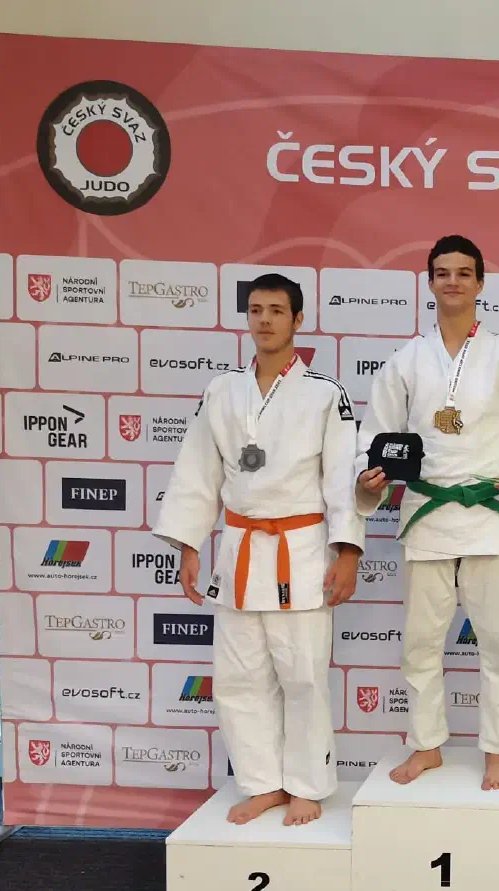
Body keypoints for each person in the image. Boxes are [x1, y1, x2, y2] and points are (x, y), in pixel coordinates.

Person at [355, 236, 499, 791]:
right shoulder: (405, 361)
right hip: (426, 514)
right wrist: (369, 474)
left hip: (488, 515)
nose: (453, 281)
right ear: (429, 282)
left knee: (498, 643)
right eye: (442, 272)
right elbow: (374, 436)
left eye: (463, 273)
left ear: (480, 283)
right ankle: (426, 746)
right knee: (420, 644)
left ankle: (496, 751)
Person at [156, 273, 362, 826]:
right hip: (240, 549)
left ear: (298, 320)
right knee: (239, 677)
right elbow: (198, 472)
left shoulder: (325, 394)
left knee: (304, 677)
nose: (264, 320)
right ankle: (262, 783)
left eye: (276, 310)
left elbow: (342, 479)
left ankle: (307, 786)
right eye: (255, 310)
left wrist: (348, 552)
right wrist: (188, 544)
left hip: (301, 549)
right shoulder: (223, 391)